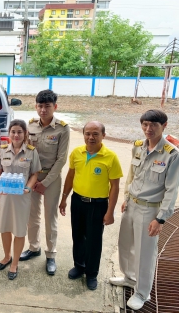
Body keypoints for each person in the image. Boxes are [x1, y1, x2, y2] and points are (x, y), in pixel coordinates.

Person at [109, 110, 179, 310]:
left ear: (164, 125)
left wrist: (161, 218)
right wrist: (126, 197)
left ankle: (142, 292)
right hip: (132, 204)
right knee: (125, 244)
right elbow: (132, 174)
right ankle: (129, 278)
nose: (148, 129)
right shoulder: (138, 147)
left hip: (150, 210)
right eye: (145, 125)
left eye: (153, 125)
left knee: (145, 253)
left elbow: (172, 190)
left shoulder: (172, 154)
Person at [59, 121, 122, 290]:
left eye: (95, 134)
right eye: (87, 133)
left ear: (103, 135)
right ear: (83, 134)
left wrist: (110, 212)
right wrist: (64, 198)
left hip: (98, 205)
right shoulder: (76, 153)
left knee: (94, 240)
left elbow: (115, 186)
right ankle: (79, 266)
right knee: (77, 236)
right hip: (78, 201)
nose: (91, 137)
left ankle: (92, 273)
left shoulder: (110, 157)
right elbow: (70, 176)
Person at [21, 90, 70, 276]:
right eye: (40, 106)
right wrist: (31, 178)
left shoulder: (63, 128)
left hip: (51, 178)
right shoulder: (30, 125)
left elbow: (61, 159)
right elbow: (26, 151)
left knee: (51, 217)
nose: (43, 110)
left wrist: (46, 182)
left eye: (47, 106)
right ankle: (34, 248)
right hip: (32, 177)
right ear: (36, 106)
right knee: (32, 215)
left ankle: (51, 255)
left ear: (55, 107)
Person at [0, 119, 41, 280]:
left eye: (20, 132)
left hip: (22, 197)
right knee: (5, 227)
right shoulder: (2, 150)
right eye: (13, 131)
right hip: (4, 196)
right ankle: (7, 256)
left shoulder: (31, 152)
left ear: (25, 133)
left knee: (19, 230)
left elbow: (35, 173)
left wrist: (28, 187)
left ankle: (15, 263)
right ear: (9, 133)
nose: (16, 135)